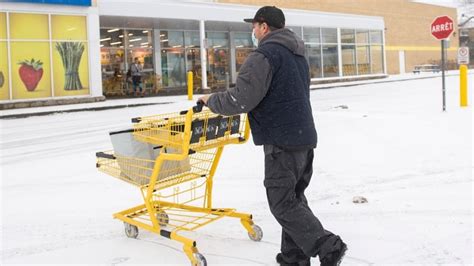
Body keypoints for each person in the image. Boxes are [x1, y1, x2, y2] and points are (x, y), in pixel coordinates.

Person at [198, 6, 347, 266]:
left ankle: (327, 245)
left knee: (281, 204)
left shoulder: (264, 55)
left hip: (282, 142)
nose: (253, 31)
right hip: (304, 138)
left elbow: (241, 98)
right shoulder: (297, 54)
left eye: (254, 26)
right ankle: (293, 260)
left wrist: (210, 99)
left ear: (264, 26)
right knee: (293, 200)